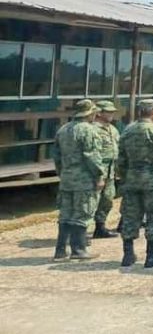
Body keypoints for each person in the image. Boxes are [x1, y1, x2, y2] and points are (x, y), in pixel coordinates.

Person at [116, 99, 153, 268]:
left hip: (131, 179)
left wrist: (124, 177)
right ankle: (152, 254)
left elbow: (120, 159)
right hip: (152, 180)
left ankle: (128, 254)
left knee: (130, 215)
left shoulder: (127, 131)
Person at [52, 99, 105, 261]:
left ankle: (60, 251)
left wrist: (62, 173)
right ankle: (79, 250)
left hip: (67, 178)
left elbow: (56, 156)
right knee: (83, 213)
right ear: (90, 113)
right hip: (84, 179)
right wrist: (99, 176)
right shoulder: (88, 131)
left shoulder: (63, 129)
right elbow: (92, 156)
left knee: (65, 214)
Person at [92, 100, 121, 239]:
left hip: (110, 171)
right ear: (99, 113)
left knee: (108, 199)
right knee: (92, 201)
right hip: (97, 171)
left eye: (112, 112)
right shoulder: (93, 129)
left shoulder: (112, 129)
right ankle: (79, 233)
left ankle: (100, 227)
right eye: (108, 112)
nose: (111, 114)